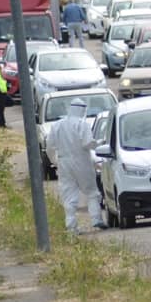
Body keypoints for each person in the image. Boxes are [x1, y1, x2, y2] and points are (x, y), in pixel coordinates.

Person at [45, 98, 106, 233]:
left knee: (69, 193)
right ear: (82, 110)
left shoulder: (57, 125)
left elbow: (49, 146)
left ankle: (71, 226)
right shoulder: (82, 124)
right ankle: (96, 219)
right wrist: (99, 143)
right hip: (82, 161)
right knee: (91, 191)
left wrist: (55, 161)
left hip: (64, 162)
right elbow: (87, 143)